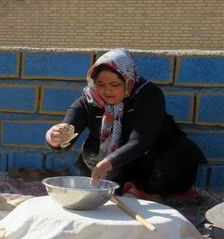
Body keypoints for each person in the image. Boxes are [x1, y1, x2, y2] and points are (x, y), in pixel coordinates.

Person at [45, 48, 206, 199]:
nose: (107, 91)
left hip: (150, 159)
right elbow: (67, 134)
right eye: (100, 84)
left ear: (129, 81)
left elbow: (140, 141)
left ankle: (150, 192)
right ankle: (121, 189)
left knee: (178, 151)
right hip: (114, 167)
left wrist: (108, 162)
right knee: (91, 150)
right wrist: (54, 137)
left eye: (115, 85)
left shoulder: (148, 95)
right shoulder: (88, 101)